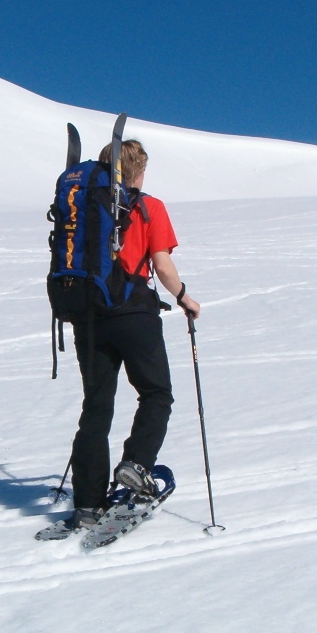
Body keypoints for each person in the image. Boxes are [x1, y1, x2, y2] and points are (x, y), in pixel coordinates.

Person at [67, 139, 201, 529]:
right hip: (134, 313)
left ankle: (88, 502)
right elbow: (162, 264)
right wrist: (184, 298)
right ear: (138, 171)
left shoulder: (83, 206)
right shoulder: (148, 206)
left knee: (96, 406)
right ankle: (137, 464)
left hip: (89, 315)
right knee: (156, 393)